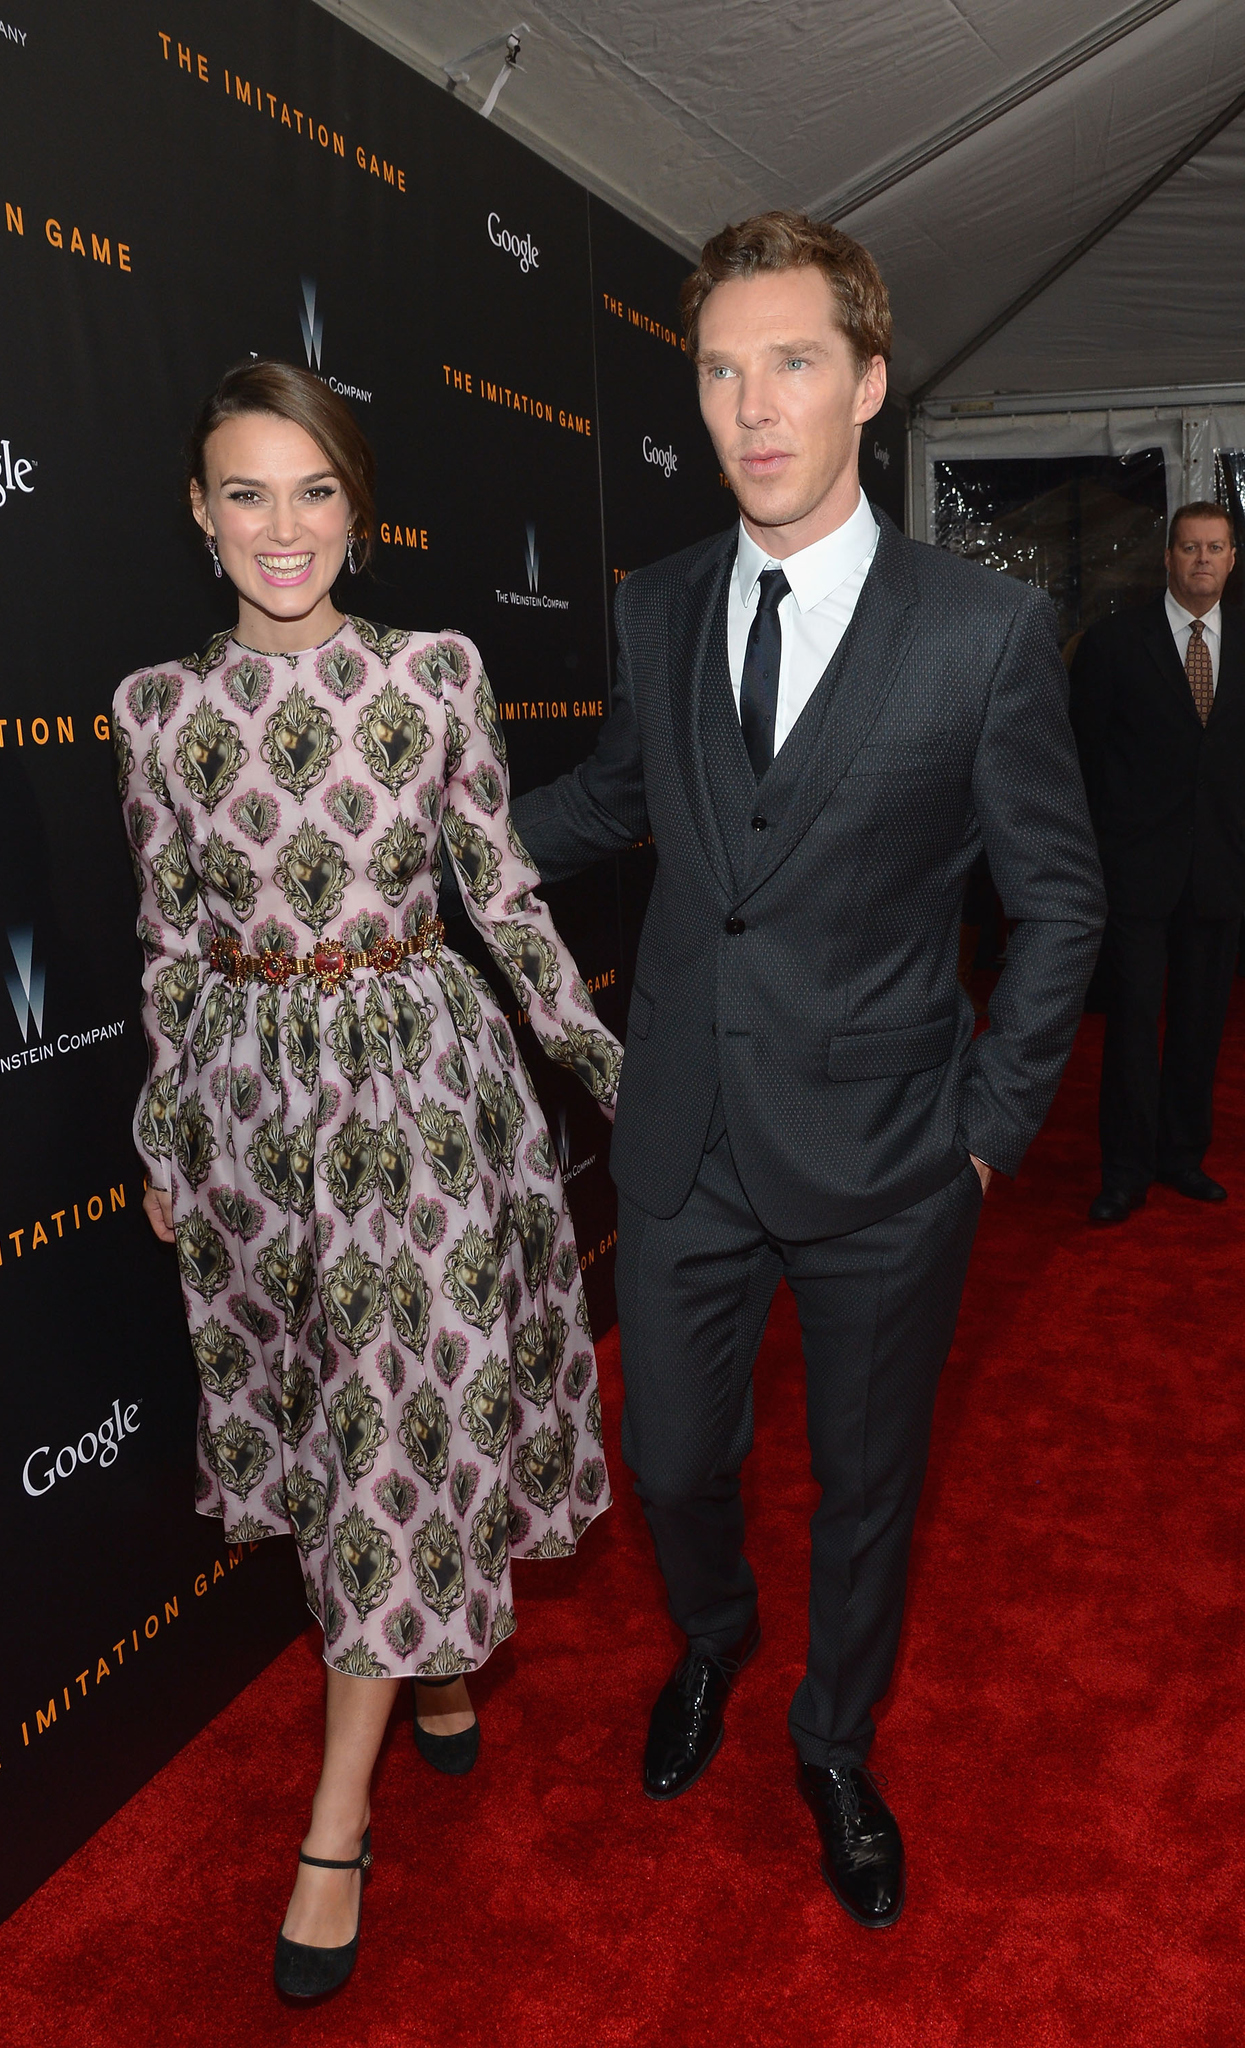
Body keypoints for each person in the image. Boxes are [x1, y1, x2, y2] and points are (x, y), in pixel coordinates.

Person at [511, 211, 1105, 1928]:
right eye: (718, 368)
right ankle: (711, 1637)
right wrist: (425, 826)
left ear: (863, 379)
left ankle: (831, 1737)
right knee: (675, 1459)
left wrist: (984, 1132)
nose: (750, 406)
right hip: (685, 1124)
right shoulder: (654, 601)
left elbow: (1059, 902)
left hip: (889, 1156)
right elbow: (615, 799)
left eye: (788, 363)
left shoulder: (979, 632)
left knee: (867, 1484)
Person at [113, 360, 620, 2004]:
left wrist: (612, 1066)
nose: (283, 525)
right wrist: (166, 1125)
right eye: (246, 492)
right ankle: (440, 1654)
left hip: (417, 1081)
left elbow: (500, 889)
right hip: (259, 1107)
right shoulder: (156, 713)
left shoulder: (428, 673)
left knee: (405, 1407)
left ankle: (335, 1823)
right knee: (341, 1419)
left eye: (313, 488)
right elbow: (174, 947)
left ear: (358, 506)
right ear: (199, 514)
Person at [1069, 502, 1243, 1222]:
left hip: (1221, 872)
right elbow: (1081, 759)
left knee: (1202, 1025)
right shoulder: (1113, 644)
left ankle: (1180, 1156)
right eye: (1188, 548)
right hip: (1134, 872)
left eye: (1214, 548)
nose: (1201, 560)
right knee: (1134, 1026)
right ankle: (1124, 1171)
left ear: (1231, 559)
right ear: (1166, 558)